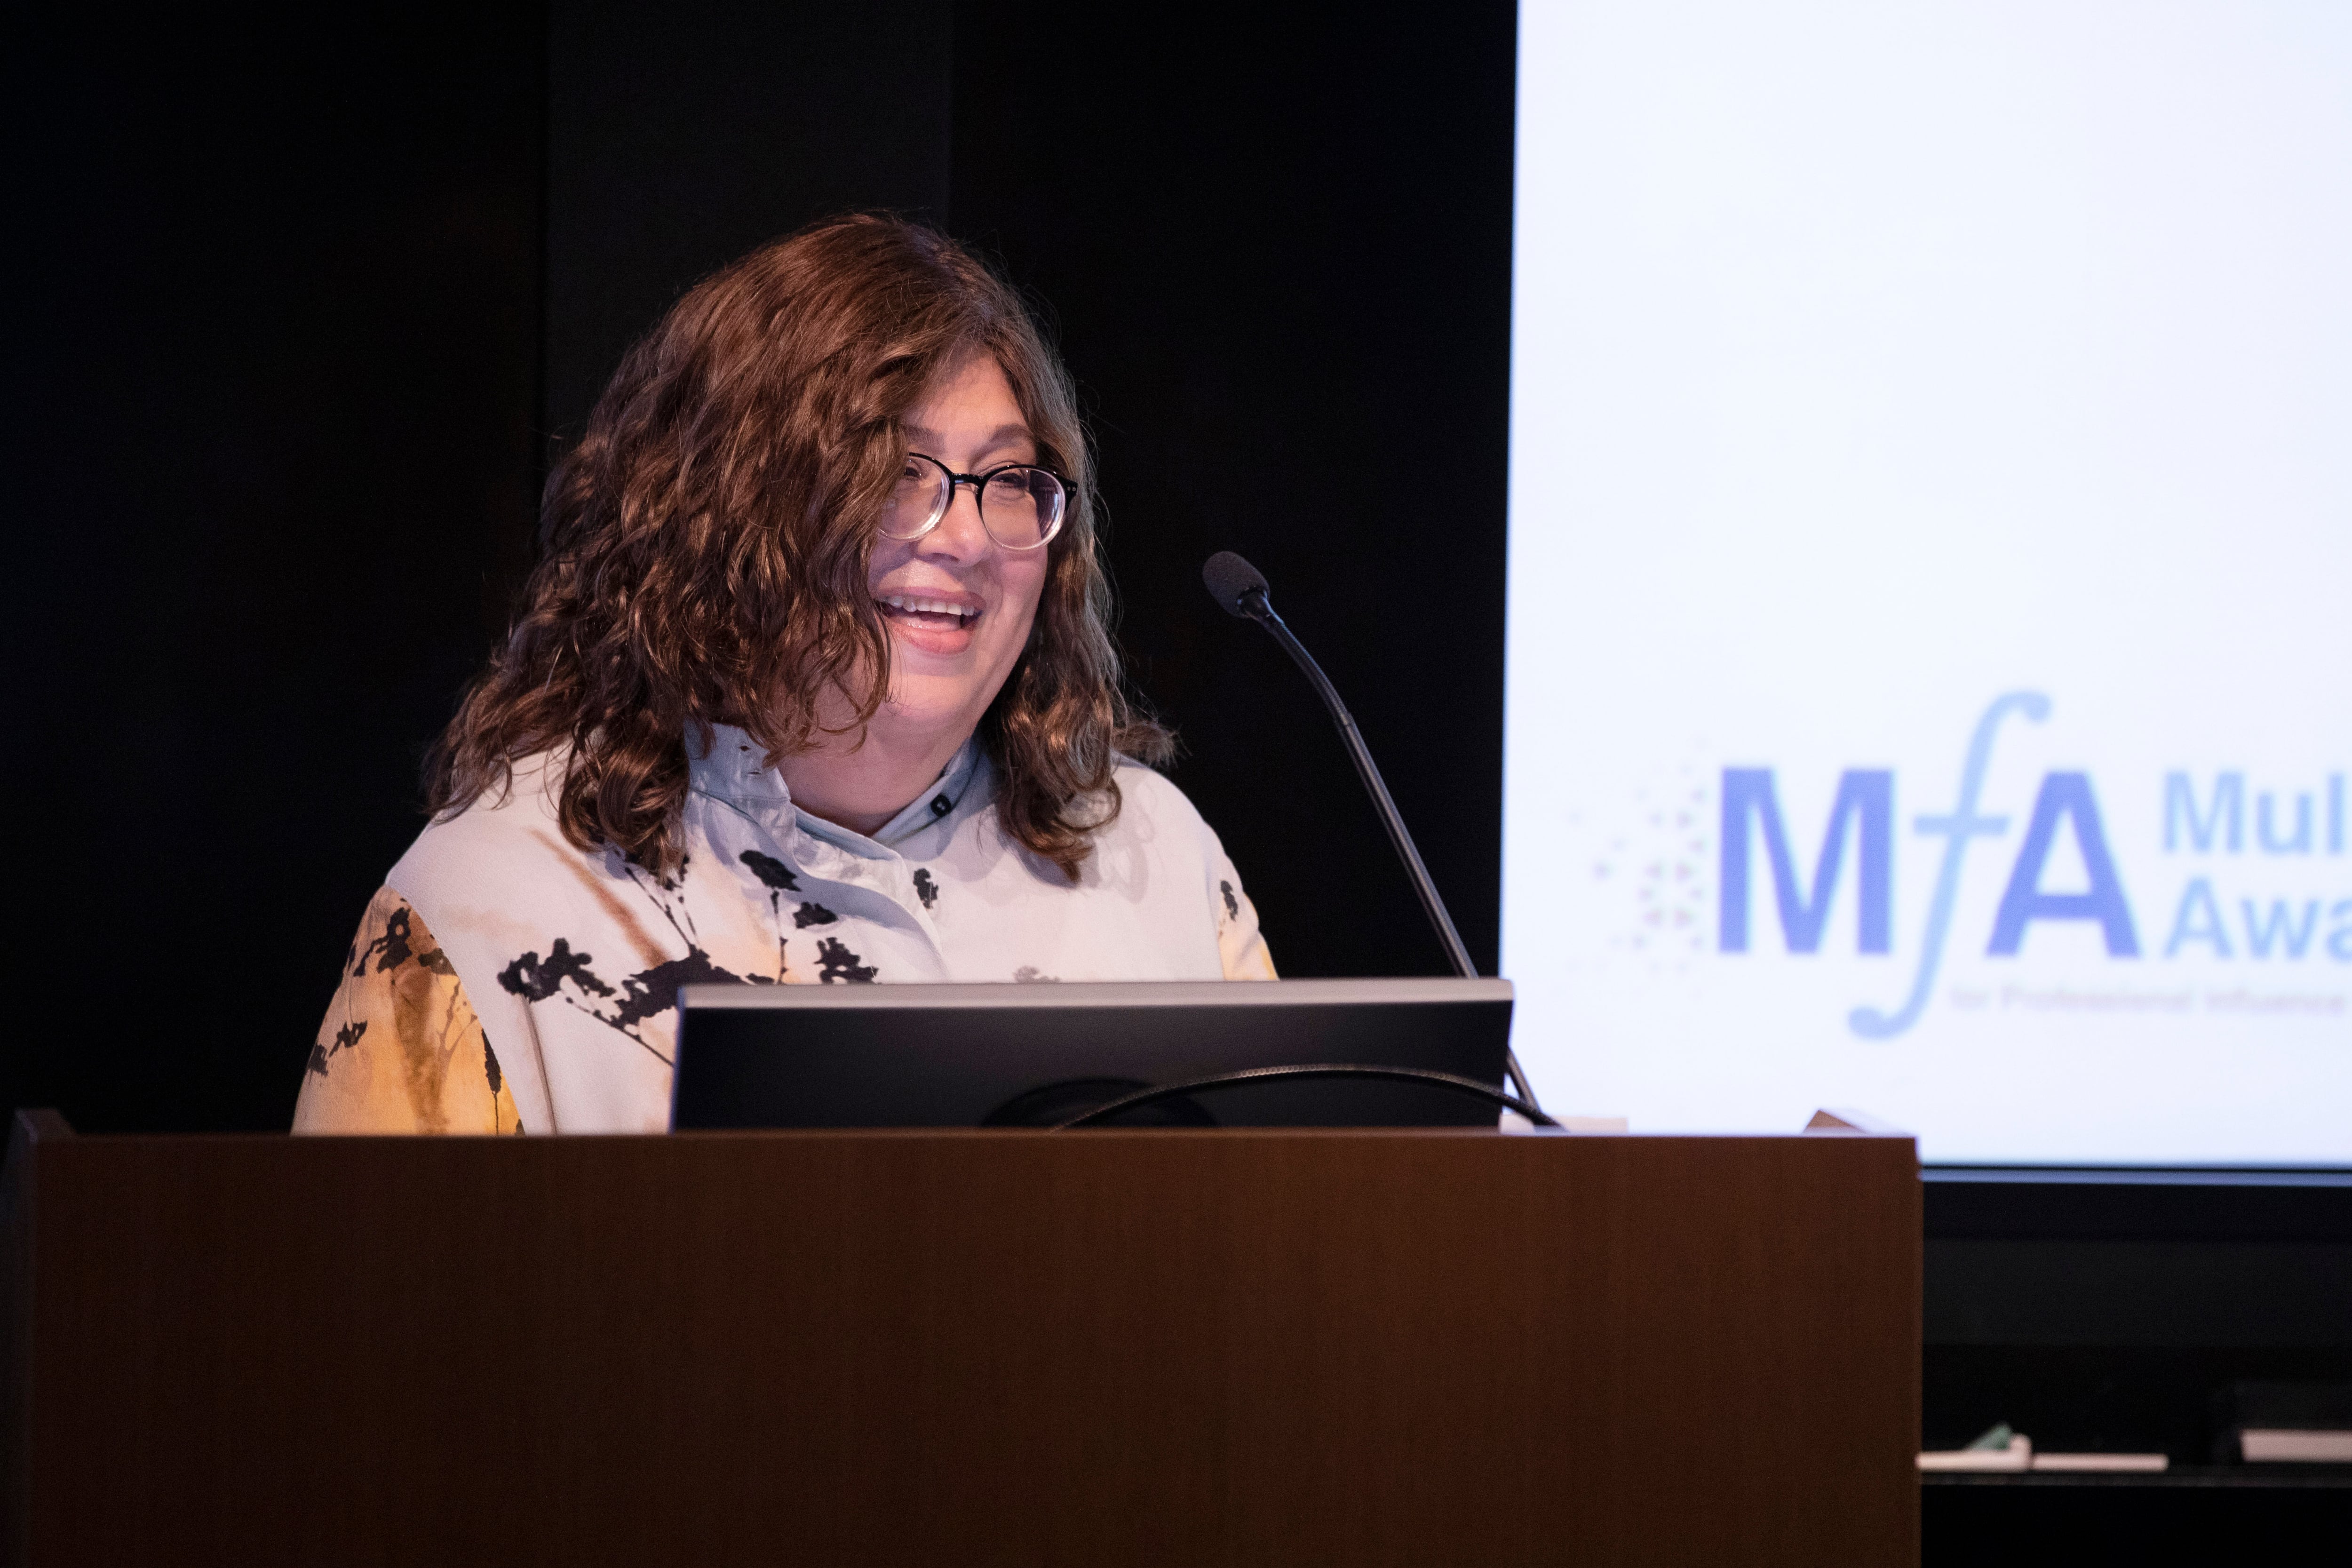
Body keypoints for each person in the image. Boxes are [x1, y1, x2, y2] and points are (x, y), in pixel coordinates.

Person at [294, 215, 1273, 1136]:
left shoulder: (1150, 857)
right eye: (897, 473)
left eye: (1008, 479)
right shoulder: (500, 902)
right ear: (728, 514)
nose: (968, 536)